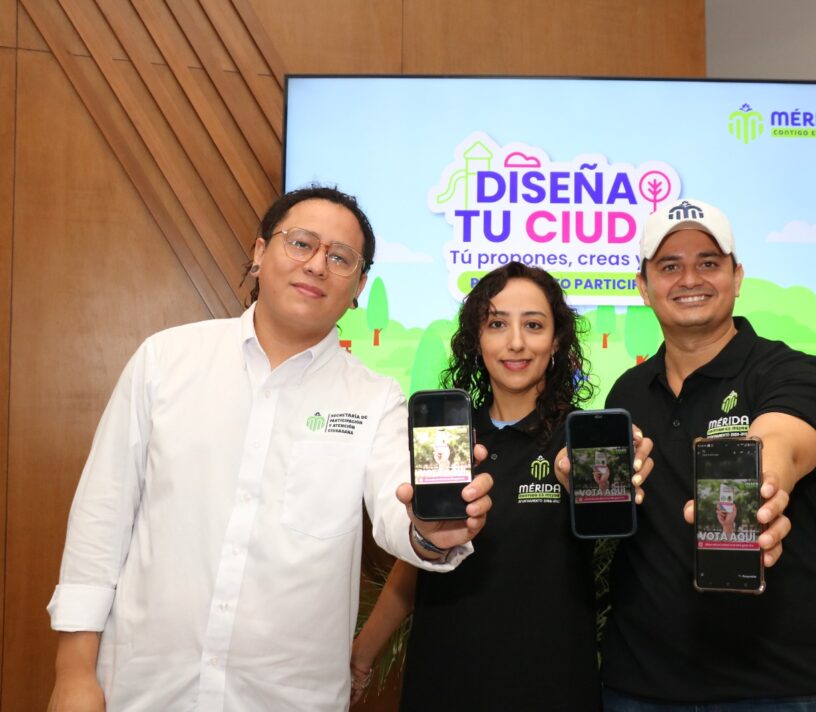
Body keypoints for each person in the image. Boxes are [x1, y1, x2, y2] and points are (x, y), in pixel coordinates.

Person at [45, 186, 494, 712]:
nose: (317, 265)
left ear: (359, 287)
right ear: (260, 253)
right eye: (301, 243)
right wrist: (73, 672)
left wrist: (430, 533)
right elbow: (102, 516)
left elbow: (399, 512)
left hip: (288, 697)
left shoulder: (376, 399)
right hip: (145, 689)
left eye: (340, 257)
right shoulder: (165, 360)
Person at [557, 198, 816, 710]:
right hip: (641, 685)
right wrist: (584, 483)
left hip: (784, 686)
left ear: (737, 277)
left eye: (709, 263)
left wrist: (758, 491)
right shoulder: (627, 393)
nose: (690, 279)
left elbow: (781, 444)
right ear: (643, 286)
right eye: (670, 266)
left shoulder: (792, 372)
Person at [349, 262, 652, 712]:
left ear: (556, 341)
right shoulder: (449, 438)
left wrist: (599, 483)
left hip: (551, 685)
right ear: (477, 339)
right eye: (496, 324)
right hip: (444, 680)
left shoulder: (583, 440)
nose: (515, 342)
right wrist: (361, 655)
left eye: (534, 325)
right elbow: (420, 559)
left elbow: (615, 523)